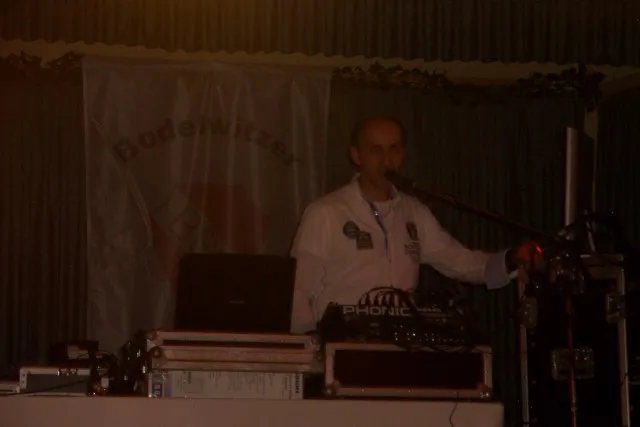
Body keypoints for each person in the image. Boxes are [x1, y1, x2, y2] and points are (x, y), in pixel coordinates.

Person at [289, 116, 540, 333]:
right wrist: (311, 351)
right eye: (376, 150)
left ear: (403, 154)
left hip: (400, 346)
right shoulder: (326, 213)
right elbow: (298, 291)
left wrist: (510, 261)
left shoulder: (414, 212)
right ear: (356, 155)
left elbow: (460, 262)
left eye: (394, 150)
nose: (387, 161)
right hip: (339, 349)